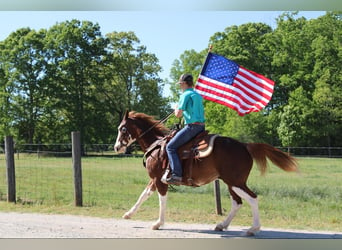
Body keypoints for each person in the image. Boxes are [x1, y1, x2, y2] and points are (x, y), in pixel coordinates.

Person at [166, 73, 205, 185]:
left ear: (184, 83)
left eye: (180, 84)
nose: (179, 86)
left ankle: (176, 175)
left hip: (192, 127)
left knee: (170, 147)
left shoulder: (185, 95)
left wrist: (175, 108)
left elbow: (178, 114)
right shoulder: (197, 95)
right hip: (201, 127)